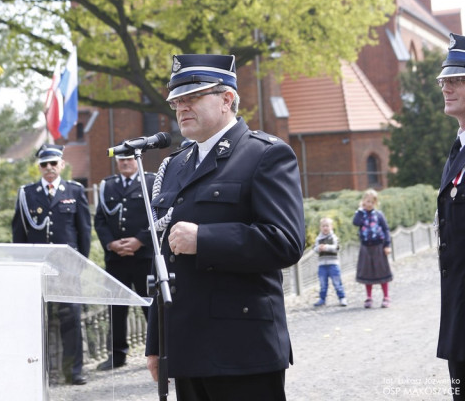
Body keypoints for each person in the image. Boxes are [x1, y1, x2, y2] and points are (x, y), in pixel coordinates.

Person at [145, 54, 305, 401]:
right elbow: (162, 262)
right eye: (176, 101)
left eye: (192, 98)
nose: (181, 108)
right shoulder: (174, 165)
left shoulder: (264, 155)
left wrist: (204, 239)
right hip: (187, 347)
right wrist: (157, 342)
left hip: (242, 349)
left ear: (227, 99)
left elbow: (286, 242)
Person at [11, 145, 92, 385]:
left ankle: (73, 371)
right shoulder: (27, 193)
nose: (49, 168)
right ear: (39, 167)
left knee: (71, 320)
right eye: (44, 164)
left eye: (53, 163)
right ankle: (38, 371)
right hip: (37, 269)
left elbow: (83, 230)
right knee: (36, 321)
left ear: (62, 166)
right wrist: (23, 266)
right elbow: (19, 232)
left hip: (67, 268)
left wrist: (80, 263)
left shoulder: (75, 191)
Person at [94, 146, 155, 370]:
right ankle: (117, 354)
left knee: (150, 306)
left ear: (137, 160)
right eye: (122, 160)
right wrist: (111, 243)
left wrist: (139, 240)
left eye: (129, 159)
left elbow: (158, 215)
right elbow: (100, 219)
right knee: (116, 308)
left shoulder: (151, 181)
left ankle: (160, 351)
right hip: (117, 258)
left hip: (143, 256)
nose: (126, 163)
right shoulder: (107, 185)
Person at [435, 32, 465, 395]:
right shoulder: (457, 149)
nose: (447, 87)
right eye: (445, 80)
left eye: (457, 80)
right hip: (458, 317)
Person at [352, 188, 393, 308]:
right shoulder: (360, 214)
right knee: (367, 272)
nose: (368, 203)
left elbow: (385, 229)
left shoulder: (379, 215)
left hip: (379, 246)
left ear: (375, 203)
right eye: (366, 201)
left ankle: (386, 297)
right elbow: (355, 223)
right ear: (363, 201)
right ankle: (369, 297)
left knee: (382, 271)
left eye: (371, 201)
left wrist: (387, 245)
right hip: (366, 247)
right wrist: (360, 210)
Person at [313, 217, 347, 307]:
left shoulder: (334, 238)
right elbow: (314, 249)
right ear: (320, 227)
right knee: (323, 284)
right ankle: (322, 299)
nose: (325, 228)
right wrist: (319, 248)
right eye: (323, 226)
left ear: (331, 227)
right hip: (322, 265)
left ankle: (342, 298)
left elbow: (337, 248)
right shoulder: (318, 239)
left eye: (327, 226)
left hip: (333, 264)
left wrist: (326, 247)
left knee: (337, 282)